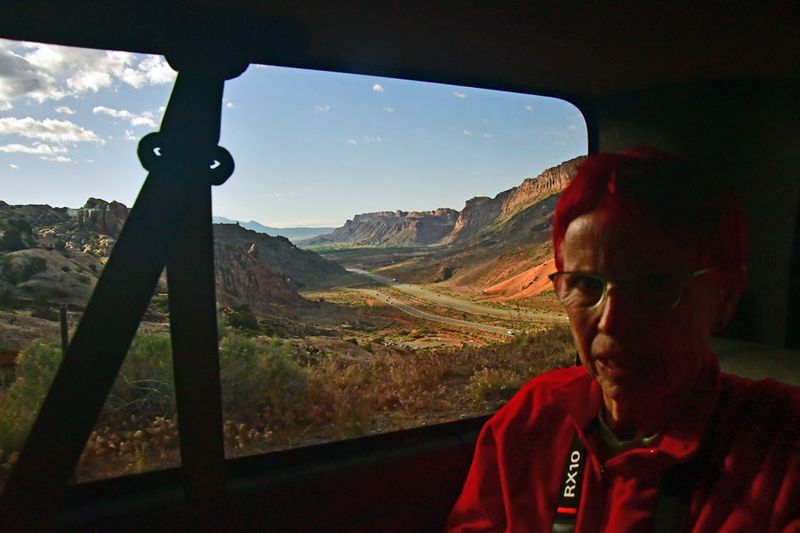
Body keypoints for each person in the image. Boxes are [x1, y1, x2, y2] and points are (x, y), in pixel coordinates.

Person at [446, 149, 800, 532]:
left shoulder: (781, 452)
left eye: (654, 285)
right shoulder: (531, 421)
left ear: (726, 298)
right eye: (584, 284)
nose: (612, 322)